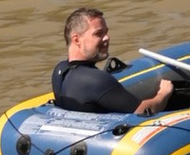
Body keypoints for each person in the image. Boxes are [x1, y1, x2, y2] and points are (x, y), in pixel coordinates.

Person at [47, 8, 182, 119]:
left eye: (106, 32)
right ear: (77, 40)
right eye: (98, 33)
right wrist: (163, 94)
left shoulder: (59, 71)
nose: (107, 38)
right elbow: (142, 111)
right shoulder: (95, 80)